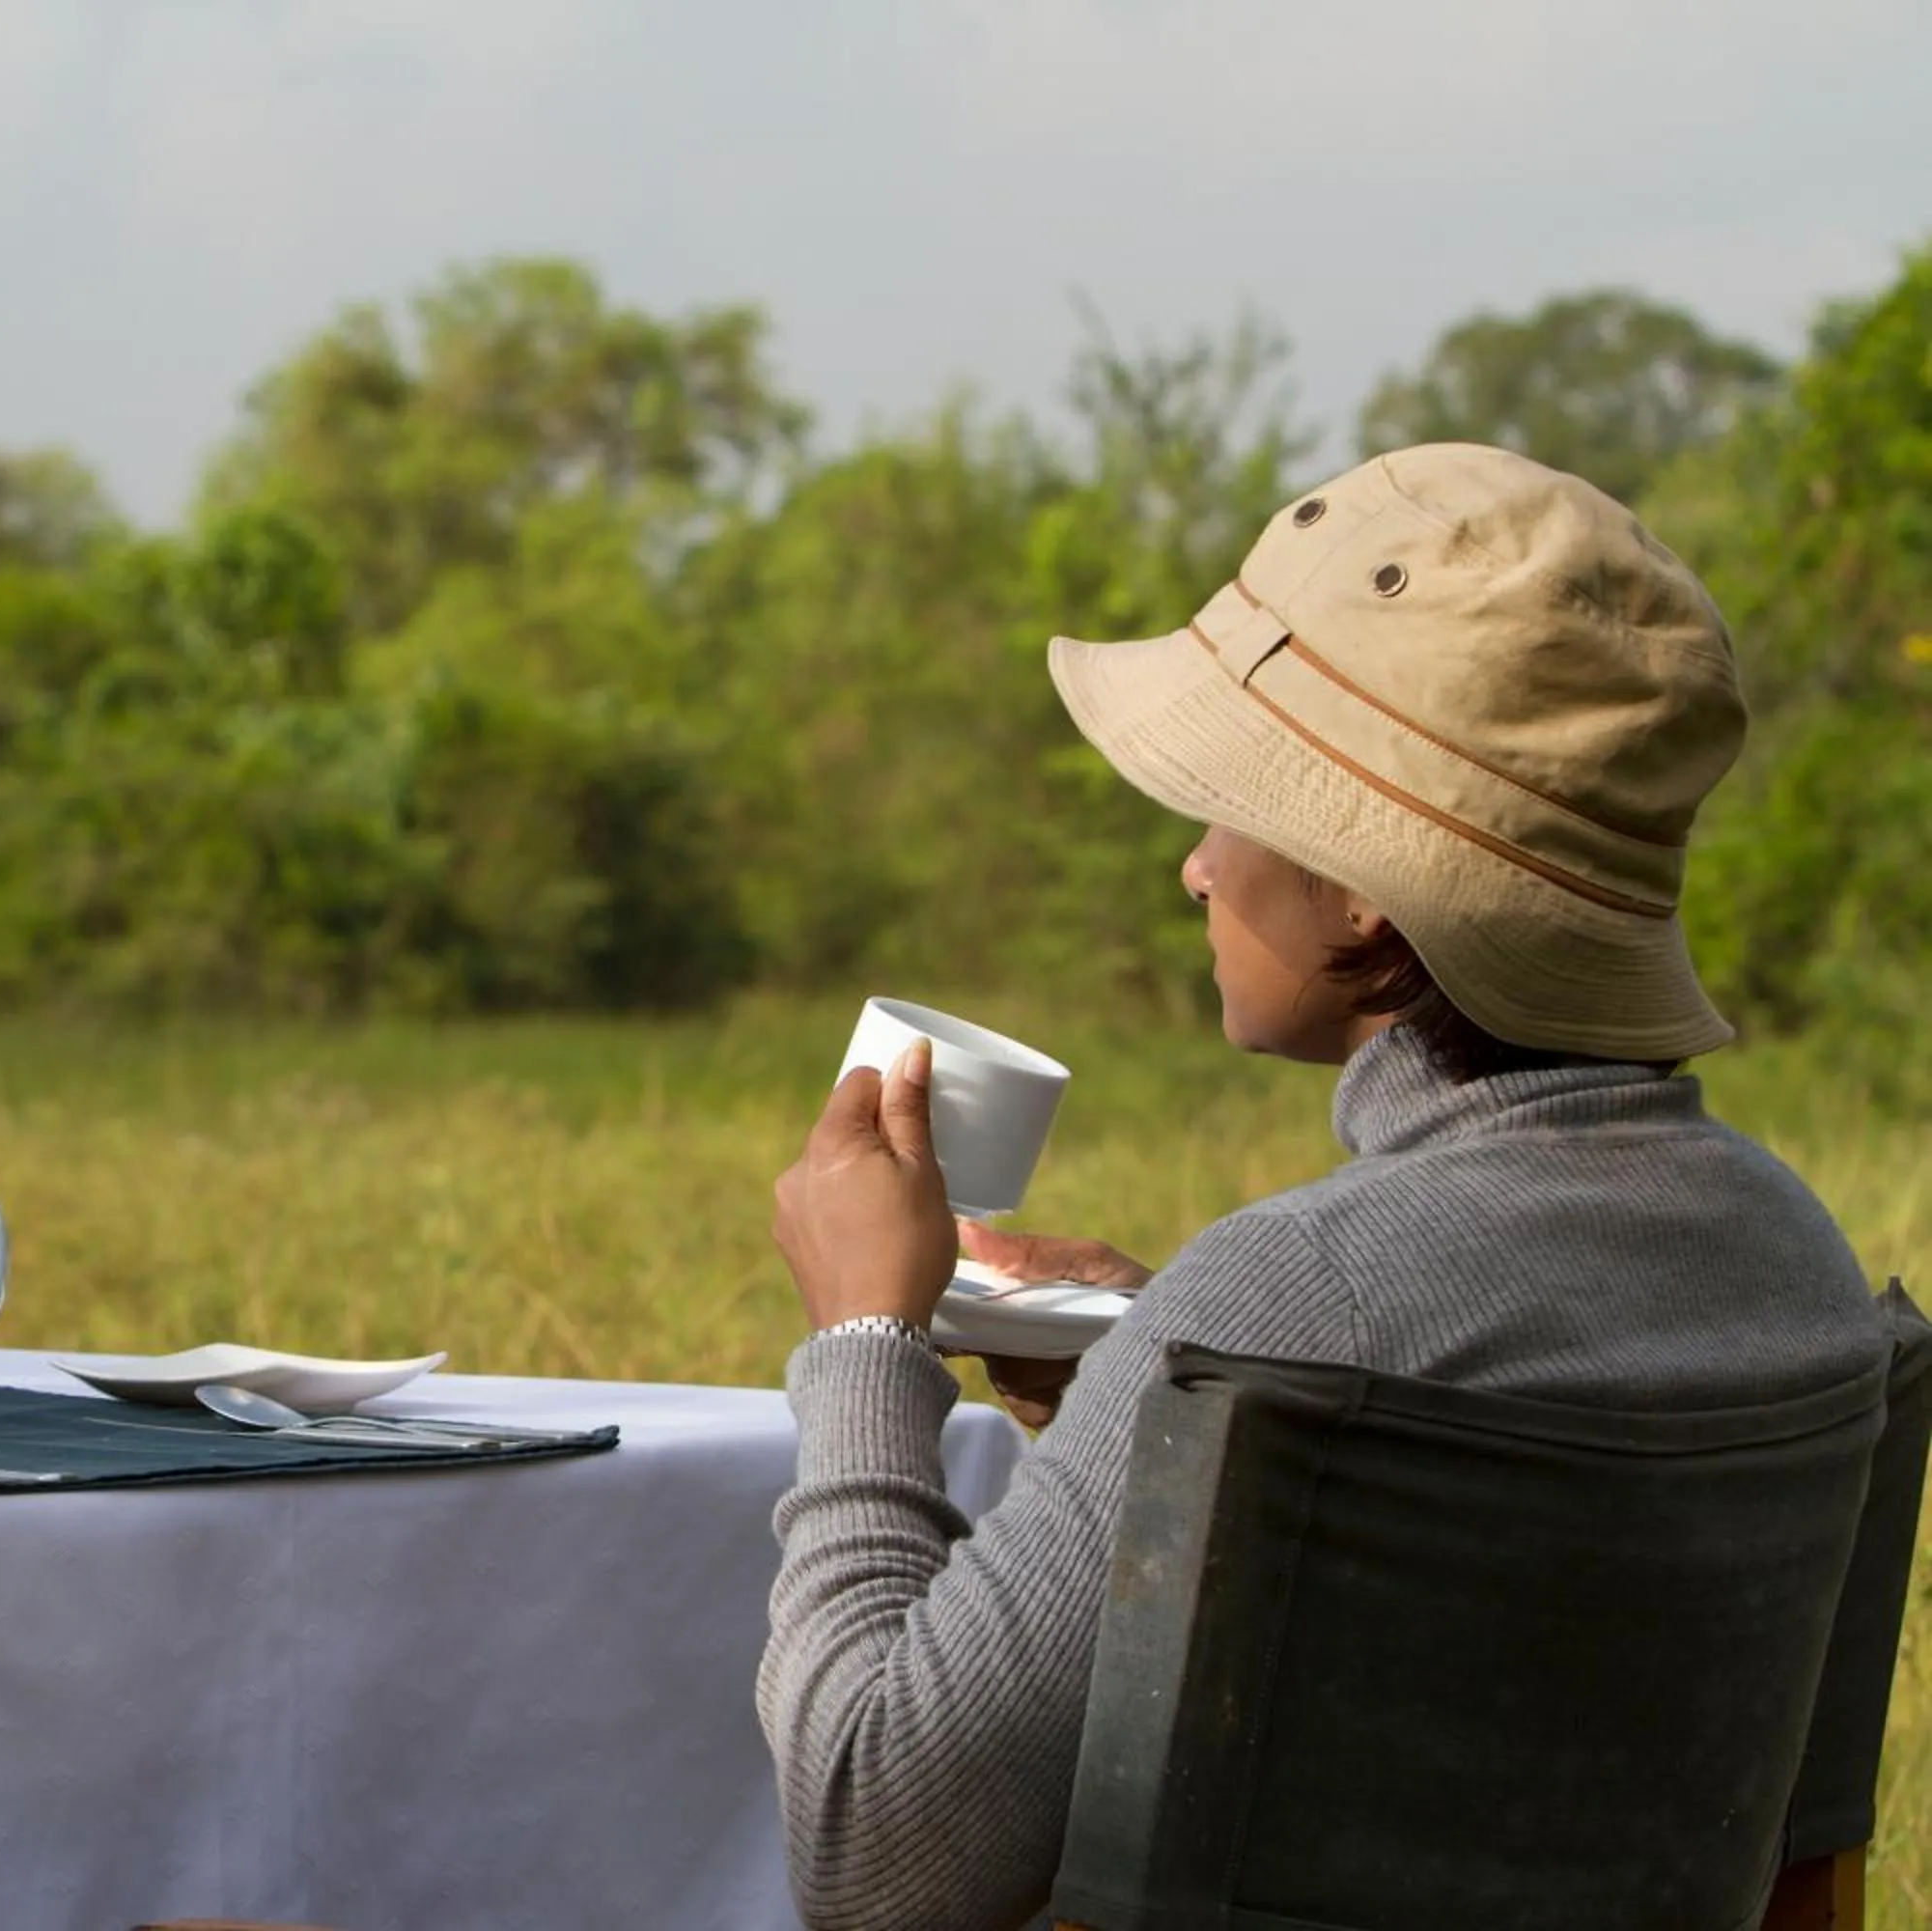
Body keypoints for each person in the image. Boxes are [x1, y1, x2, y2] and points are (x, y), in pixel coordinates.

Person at [755, 444, 1890, 1931]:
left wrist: (862, 1342)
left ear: (1367, 887)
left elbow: (875, 1849)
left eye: (1230, 805)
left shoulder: (1296, 1294)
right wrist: (1158, 1377)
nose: (1197, 870)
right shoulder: (1788, 1248)